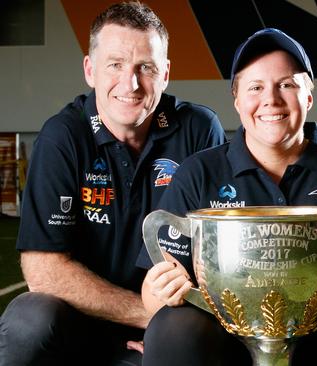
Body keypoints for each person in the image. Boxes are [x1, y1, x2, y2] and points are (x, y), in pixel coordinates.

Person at [136, 28, 317, 366]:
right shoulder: (199, 171)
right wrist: (160, 290)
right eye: (255, 87)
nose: (271, 100)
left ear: (308, 96)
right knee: (170, 328)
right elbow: (153, 293)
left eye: (287, 85)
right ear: (236, 99)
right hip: (224, 332)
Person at [0, 2, 226, 365]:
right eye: (115, 65)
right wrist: (146, 315)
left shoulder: (199, 129)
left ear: (166, 73)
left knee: (190, 340)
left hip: (170, 324)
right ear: (90, 70)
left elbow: (215, 253)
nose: (131, 84)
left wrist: (168, 325)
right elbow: (44, 270)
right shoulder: (63, 137)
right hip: (85, 322)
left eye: (146, 68)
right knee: (28, 320)